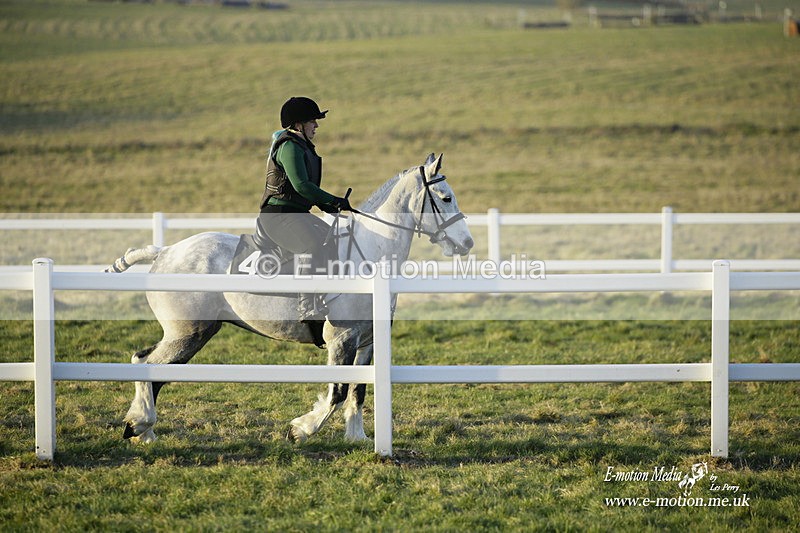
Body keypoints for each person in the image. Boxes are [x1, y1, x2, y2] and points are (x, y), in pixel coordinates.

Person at [257, 97, 351, 322]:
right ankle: (306, 306)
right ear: (298, 124)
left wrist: (330, 206)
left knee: (332, 238)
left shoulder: (302, 146)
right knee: (310, 245)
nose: (316, 126)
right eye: (312, 121)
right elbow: (301, 185)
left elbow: (306, 191)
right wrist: (333, 200)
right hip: (278, 215)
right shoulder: (289, 146)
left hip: (297, 214)